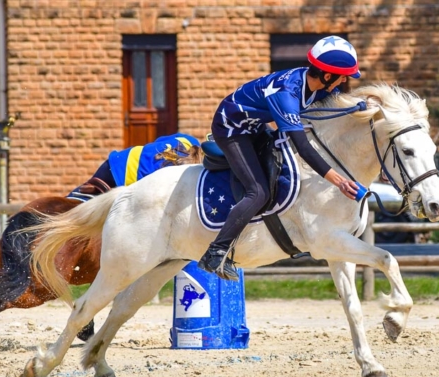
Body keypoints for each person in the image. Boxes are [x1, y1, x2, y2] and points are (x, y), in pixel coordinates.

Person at [198, 35, 362, 281]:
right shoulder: (288, 95)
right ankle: (216, 252)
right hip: (232, 129)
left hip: (254, 126)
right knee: (258, 192)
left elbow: (334, 115)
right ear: (327, 76)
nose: (346, 81)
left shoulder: (318, 86)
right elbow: (304, 148)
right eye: (343, 76)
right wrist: (338, 181)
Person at [67, 133, 202, 201]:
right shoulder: (186, 177)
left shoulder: (188, 140)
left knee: (76, 202)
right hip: (123, 182)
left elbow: (155, 144)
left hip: (115, 163)